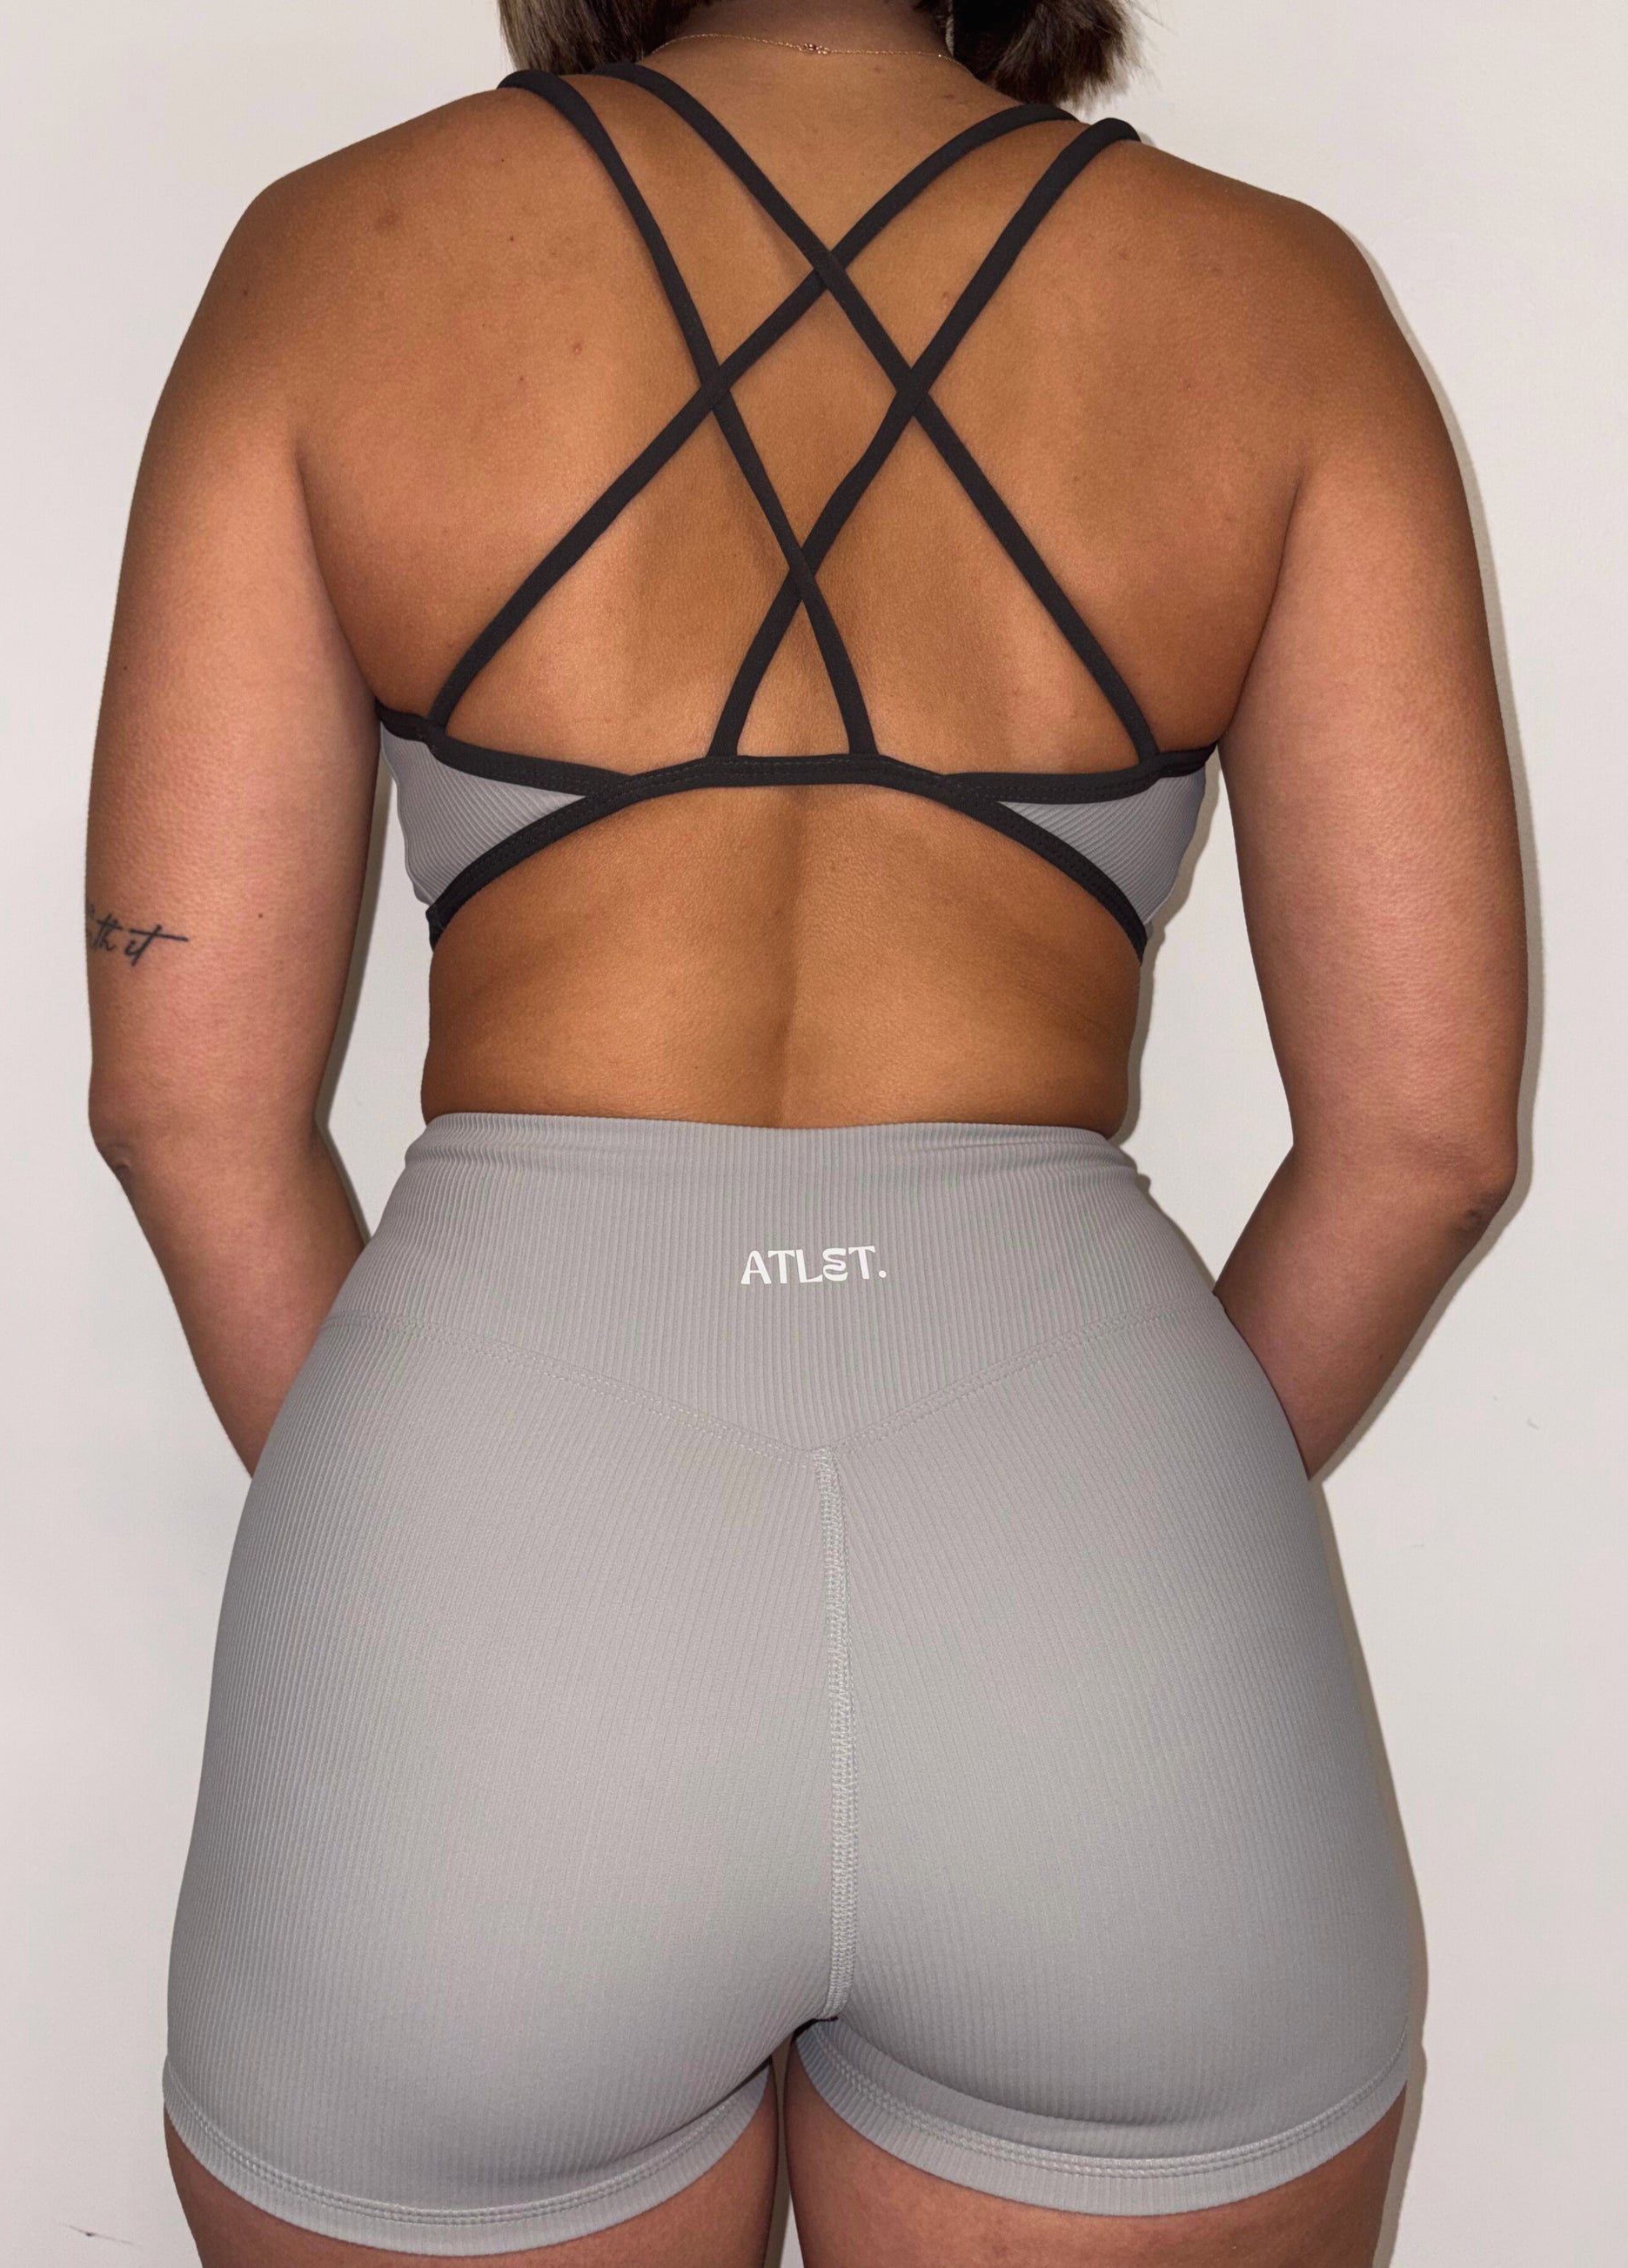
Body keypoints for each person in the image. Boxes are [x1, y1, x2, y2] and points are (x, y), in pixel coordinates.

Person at [84, 0, 1525, 2259]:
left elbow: (185, 1107)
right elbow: (1427, 1140)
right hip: (1096, 1582)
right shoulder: (1275, 302)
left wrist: (440, 1519)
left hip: (493, 1576)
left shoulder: (339, 257)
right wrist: (1126, 1494)